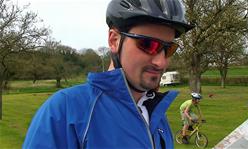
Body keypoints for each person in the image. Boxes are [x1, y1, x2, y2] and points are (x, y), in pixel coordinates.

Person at [23, 0, 194, 148]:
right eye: (149, 45)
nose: (161, 62)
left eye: (168, 48)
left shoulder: (157, 115)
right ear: (114, 40)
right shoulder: (65, 110)